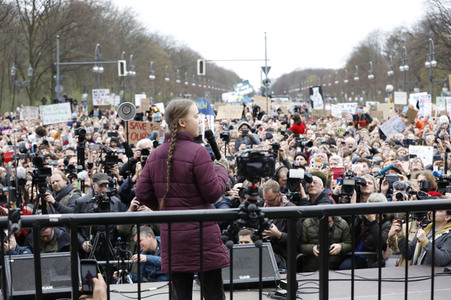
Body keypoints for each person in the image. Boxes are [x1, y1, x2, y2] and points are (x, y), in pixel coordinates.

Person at [135, 99, 229, 300]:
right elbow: (213, 193)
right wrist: (222, 169)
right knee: (213, 293)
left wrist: (164, 206)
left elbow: (142, 192)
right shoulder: (198, 152)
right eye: (195, 116)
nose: (200, 121)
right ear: (182, 122)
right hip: (202, 235)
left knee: (179, 294)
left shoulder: (156, 154)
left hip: (173, 235)